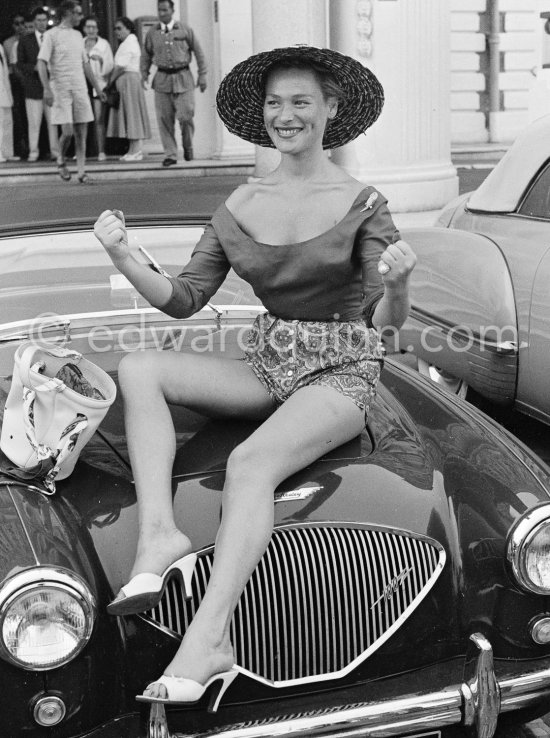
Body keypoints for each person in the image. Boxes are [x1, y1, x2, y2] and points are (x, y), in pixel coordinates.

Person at [94, 45, 416, 709]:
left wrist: (401, 282)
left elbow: (387, 327)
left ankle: (209, 639)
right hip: (268, 366)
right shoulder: (240, 202)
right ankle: (160, 532)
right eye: (275, 103)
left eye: (301, 101)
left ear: (331, 110)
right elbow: (185, 298)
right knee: (139, 367)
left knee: (249, 465)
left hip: (341, 372)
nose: (286, 115)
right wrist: (124, 255)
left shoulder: (364, 203)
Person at [37, 0, 105, 184]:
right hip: (60, 88)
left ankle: (82, 172)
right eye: (78, 13)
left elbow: (85, 64)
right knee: (67, 131)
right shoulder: (51, 35)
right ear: (68, 13)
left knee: (81, 132)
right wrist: (46, 89)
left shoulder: (77, 35)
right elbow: (41, 63)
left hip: (80, 88)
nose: (80, 17)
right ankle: (61, 160)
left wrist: (98, 89)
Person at [140, 0, 207, 166]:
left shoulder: (185, 29)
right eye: (159, 10)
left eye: (165, 10)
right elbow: (146, 55)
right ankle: (170, 154)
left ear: (172, 10)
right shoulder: (152, 33)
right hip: (162, 80)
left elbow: (199, 53)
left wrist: (202, 74)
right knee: (164, 119)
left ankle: (188, 146)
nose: (162, 13)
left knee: (186, 115)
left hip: (184, 78)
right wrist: (144, 74)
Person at [17, 7, 60, 163]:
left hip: (51, 86)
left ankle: (55, 152)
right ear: (34, 22)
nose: (42, 23)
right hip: (33, 87)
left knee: (53, 122)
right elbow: (20, 64)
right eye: (38, 20)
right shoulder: (25, 40)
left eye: (44, 20)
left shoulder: (52, 37)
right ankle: (33, 152)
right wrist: (34, 67)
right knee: (34, 123)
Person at [106, 17, 150, 162]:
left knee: (132, 114)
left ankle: (136, 150)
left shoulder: (129, 42)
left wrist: (110, 81)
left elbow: (120, 66)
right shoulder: (128, 42)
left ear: (128, 28)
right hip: (127, 82)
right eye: (115, 28)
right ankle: (133, 149)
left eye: (119, 28)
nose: (116, 31)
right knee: (129, 114)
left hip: (129, 81)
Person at [82, 15, 113, 162]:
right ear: (84, 29)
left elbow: (110, 67)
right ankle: (82, 151)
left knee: (99, 119)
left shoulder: (104, 45)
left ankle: (101, 151)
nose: (91, 30)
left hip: (98, 85)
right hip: (82, 84)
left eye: (94, 27)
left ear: (98, 29)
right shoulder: (79, 43)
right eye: (88, 27)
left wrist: (100, 60)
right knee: (81, 120)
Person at [3, 13, 27, 160]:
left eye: (22, 23)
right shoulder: (7, 43)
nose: (20, 26)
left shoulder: (31, 39)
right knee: (18, 117)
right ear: (13, 26)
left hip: (32, 81)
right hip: (14, 82)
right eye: (16, 23)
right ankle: (19, 148)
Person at [0, 43, 17, 163]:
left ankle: (7, 152)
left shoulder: (0, 47)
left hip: (4, 89)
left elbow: (5, 71)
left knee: (7, 122)